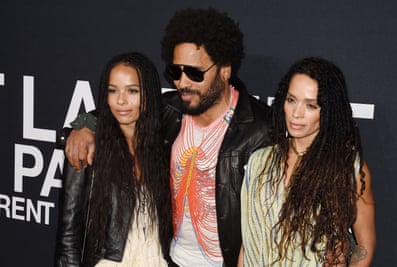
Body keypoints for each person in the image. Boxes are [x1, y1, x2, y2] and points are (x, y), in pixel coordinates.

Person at [61, 8, 271, 267]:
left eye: (194, 73)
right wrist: (84, 125)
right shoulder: (170, 111)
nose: (182, 82)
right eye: (176, 71)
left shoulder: (261, 130)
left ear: (225, 70)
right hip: (170, 260)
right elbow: (119, 112)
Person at [239, 57, 376, 266]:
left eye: (311, 106)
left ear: (328, 111)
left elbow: (365, 245)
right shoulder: (260, 161)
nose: (296, 113)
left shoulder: (347, 168)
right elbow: (249, 242)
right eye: (291, 100)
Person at [55, 52, 172, 267]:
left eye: (132, 91)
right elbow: (68, 237)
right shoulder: (87, 149)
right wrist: (84, 124)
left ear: (150, 94)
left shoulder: (163, 147)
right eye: (112, 90)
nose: (120, 101)